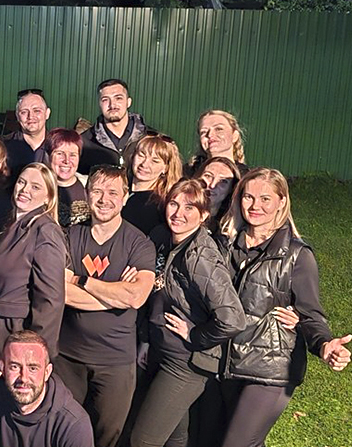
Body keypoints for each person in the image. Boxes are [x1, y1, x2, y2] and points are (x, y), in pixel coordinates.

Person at [216, 168, 351, 447]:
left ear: (282, 202)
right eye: (248, 197)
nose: (255, 206)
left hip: (271, 368)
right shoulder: (227, 245)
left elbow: (310, 314)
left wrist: (324, 344)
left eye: (265, 199)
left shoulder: (297, 255)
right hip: (226, 361)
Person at [129, 179, 246, 447]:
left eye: (189, 207)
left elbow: (233, 318)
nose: (178, 213)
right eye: (174, 204)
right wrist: (145, 340)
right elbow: (155, 296)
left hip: (186, 362)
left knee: (143, 440)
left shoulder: (200, 256)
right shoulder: (161, 237)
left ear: (203, 215)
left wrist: (195, 335)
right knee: (176, 437)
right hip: (160, 349)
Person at [56, 165, 156, 447]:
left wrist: (81, 280)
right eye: (97, 191)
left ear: (125, 198)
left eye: (113, 192)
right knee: (64, 431)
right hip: (67, 357)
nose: (104, 199)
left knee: (107, 436)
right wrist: (115, 294)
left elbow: (135, 297)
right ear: (87, 195)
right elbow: (59, 291)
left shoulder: (139, 243)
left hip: (115, 362)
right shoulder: (70, 236)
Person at [0, 163, 69, 364]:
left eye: (35, 187)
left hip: (15, 334)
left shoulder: (45, 231)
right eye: (21, 182)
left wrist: (36, 351)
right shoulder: (12, 223)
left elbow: (50, 299)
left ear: (48, 197)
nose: (25, 189)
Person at [0, 331, 94, 447]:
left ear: (47, 372)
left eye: (33, 368)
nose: (23, 378)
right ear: (2, 368)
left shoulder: (73, 424)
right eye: (14, 367)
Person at [78, 79, 149, 173]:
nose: (112, 105)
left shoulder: (150, 138)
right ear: (99, 104)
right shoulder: (84, 143)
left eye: (118, 98)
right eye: (105, 100)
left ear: (128, 102)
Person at [121, 135, 182, 235]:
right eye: (141, 155)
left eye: (155, 161)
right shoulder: (117, 189)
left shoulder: (160, 206)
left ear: (166, 168)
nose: (144, 164)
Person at [46, 128, 90, 227]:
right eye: (60, 154)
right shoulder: (39, 187)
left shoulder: (90, 185)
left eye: (72, 155)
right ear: (48, 156)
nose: (66, 160)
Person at [2, 89, 51, 175]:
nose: (30, 116)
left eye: (37, 111)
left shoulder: (57, 145)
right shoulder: (4, 146)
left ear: (47, 113)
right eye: (24, 112)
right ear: (17, 116)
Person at [186, 110, 249, 177]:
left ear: (235, 136)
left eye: (218, 129)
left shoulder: (246, 178)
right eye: (203, 132)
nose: (210, 135)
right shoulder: (187, 174)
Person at [193, 156, 241, 233]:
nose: (212, 185)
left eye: (223, 181)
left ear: (231, 189)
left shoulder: (232, 227)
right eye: (208, 176)